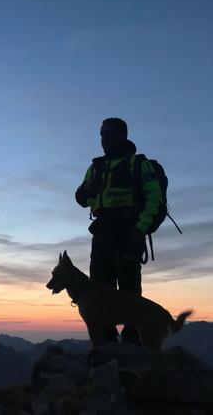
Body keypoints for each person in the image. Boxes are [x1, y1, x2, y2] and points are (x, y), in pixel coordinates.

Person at [74, 117, 163, 345]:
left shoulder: (138, 165)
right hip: (102, 233)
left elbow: (154, 199)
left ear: (123, 135)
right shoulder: (96, 167)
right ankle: (107, 342)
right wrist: (87, 189)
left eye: (109, 134)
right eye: (102, 134)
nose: (104, 139)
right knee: (100, 287)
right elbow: (81, 199)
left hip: (128, 233)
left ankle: (132, 341)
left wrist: (139, 230)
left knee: (129, 289)